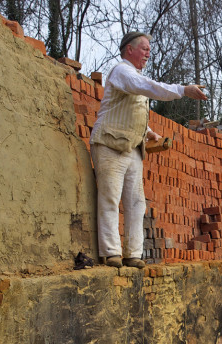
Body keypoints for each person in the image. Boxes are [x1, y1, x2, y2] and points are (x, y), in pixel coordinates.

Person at [90, 31, 207, 269]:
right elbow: (146, 87)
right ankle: (111, 252)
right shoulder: (122, 71)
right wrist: (182, 90)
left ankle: (133, 254)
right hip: (109, 144)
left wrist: (148, 132)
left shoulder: (134, 76)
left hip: (132, 147)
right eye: (144, 48)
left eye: (149, 49)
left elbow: (132, 111)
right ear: (129, 50)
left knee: (136, 202)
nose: (148, 53)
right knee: (110, 197)